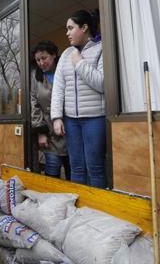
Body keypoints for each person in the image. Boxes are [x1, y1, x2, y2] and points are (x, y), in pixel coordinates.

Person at [51, 10, 106, 188]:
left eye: (70, 28)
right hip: (71, 121)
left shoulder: (102, 48)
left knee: (95, 166)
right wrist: (57, 117)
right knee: (76, 167)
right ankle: (79, 209)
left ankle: (96, 209)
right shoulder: (66, 54)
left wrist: (80, 63)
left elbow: (102, 84)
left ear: (84, 27)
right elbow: (58, 88)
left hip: (95, 118)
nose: (67, 33)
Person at [30, 40, 70, 179]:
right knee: (52, 172)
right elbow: (34, 105)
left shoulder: (66, 70)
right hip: (49, 133)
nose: (41, 63)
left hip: (70, 128)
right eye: (38, 60)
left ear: (54, 55)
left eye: (44, 58)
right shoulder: (36, 77)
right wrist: (41, 131)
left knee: (73, 172)